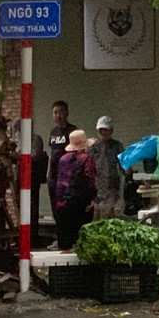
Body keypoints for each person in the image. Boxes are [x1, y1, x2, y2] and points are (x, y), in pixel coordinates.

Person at [53, 129, 96, 251]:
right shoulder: (87, 159)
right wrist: (92, 199)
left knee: (65, 243)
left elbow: (59, 182)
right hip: (80, 204)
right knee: (80, 241)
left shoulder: (63, 159)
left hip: (62, 205)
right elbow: (90, 180)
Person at [46, 100, 79, 240]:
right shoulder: (53, 132)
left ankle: (69, 238)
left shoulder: (73, 131)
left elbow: (78, 153)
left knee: (66, 207)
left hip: (66, 176)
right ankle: (60, 237)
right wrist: (48, 173)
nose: (58, 115)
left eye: (60, 112)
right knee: (55, 208)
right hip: (53, 176)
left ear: (67, 113)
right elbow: (51, 153)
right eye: (55, 112)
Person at [88, 116, 125, 220]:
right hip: (96, 182)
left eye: (106, 130)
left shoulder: (117, 145)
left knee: (110, 211)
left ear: (111, 131)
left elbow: (124, 164)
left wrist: (127, 171)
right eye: (101, 131)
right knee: (96, 211)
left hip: (112, 183)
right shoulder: (92, 146)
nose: (104, 133)